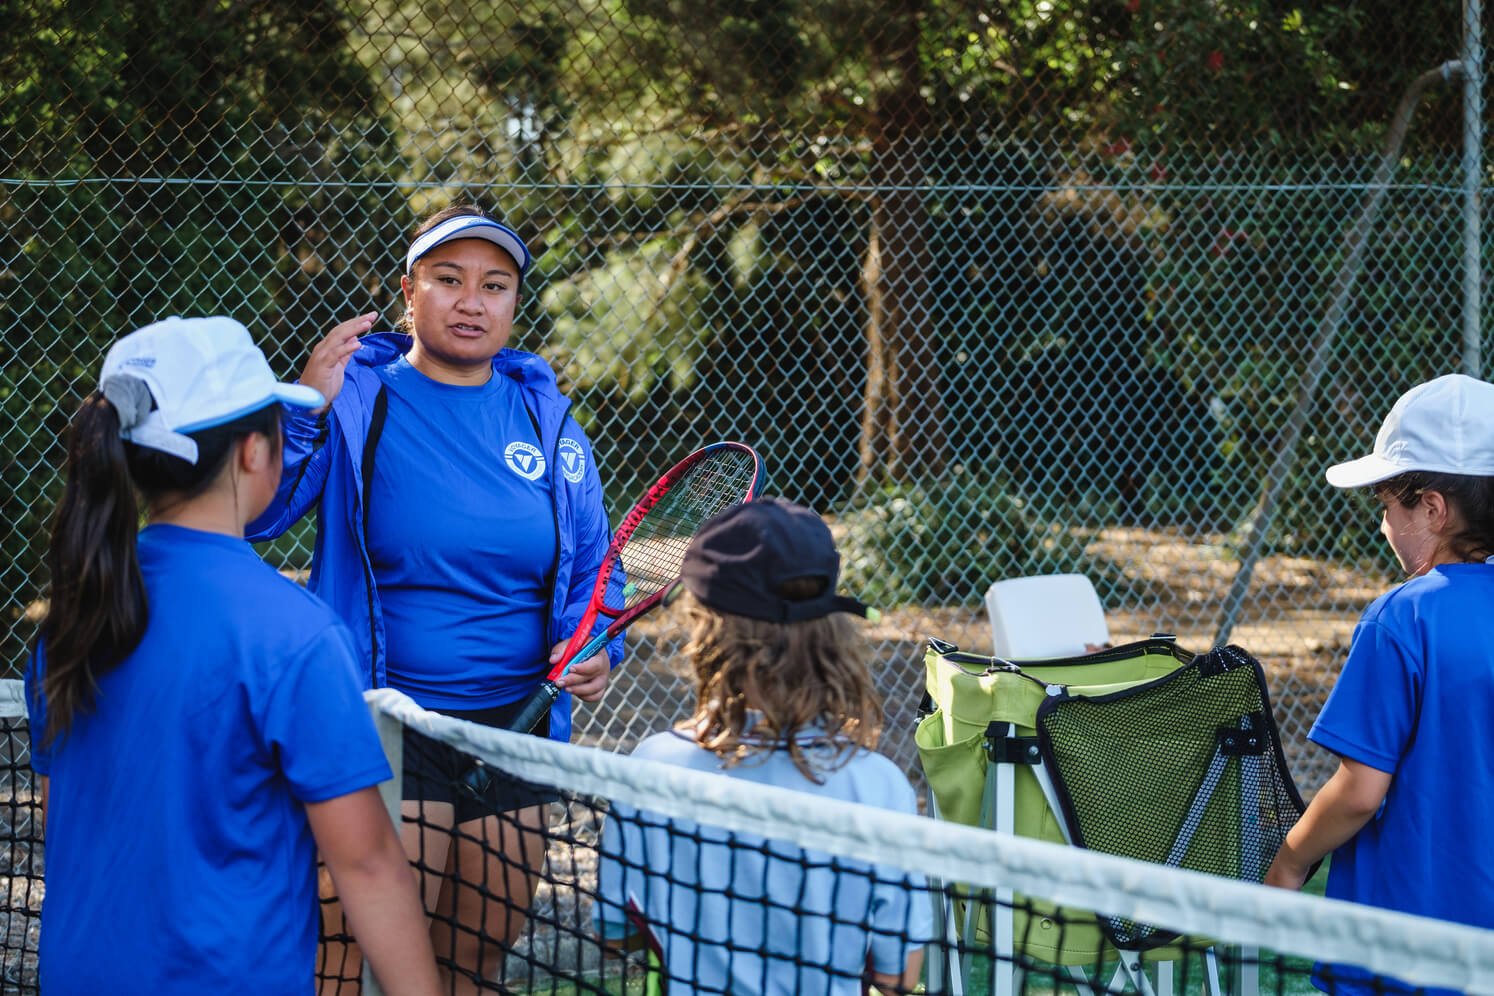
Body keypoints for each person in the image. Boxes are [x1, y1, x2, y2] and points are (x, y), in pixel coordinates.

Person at [247, 203, 622, 992]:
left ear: (515, 303)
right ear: (410, 293)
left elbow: (595, 564)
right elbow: (262, 512)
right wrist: (305, 405)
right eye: (448, 280)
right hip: (383, 725)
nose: (471, 301)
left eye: (494, 285)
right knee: (350, 956)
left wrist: (599, 645)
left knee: (474, 961)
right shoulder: (360, 397)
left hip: (512, 734)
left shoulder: (547, 418)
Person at [25, 316, 438, 994]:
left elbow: (64, 825)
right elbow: (365, 867)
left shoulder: (73, 618)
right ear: (255, 451)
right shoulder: (294, 633)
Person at [592, 497, 933, 995]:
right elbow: (896, 977)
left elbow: (615, 936)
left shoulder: (651, 769)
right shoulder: (881, 787)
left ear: (704, 626)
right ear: (831, 622)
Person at [1264, 374, 1494, 994]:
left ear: (1434, 510)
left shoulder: (1402, 617)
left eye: (1389, 506)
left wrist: (1289, 863)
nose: (1385, 525)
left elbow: (1360, 792)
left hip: (1402, 954)